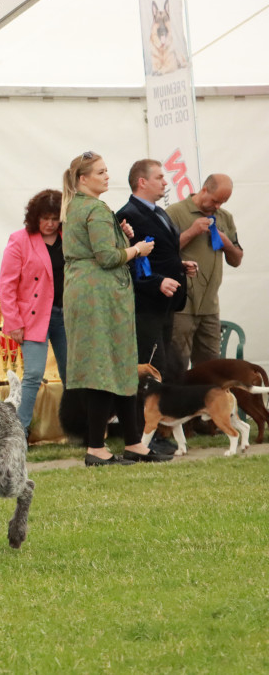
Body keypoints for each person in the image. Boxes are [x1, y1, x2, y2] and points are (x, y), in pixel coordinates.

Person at [61, 151, 171, 466]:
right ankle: (97, 448)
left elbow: (100, 249)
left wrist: (119, 238)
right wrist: (136, 249)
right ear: (83, 179)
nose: (107, 176)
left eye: (107, 171)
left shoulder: (80, 207)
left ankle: (134, 442)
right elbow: (107, 258)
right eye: (100, 172)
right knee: (105, 370)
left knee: (120, 367)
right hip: (100, 298)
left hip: (95, 295)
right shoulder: (93, 208)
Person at [116, 159, 197, 455]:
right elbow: (131, 262)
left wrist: (179, 266)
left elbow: (161, 254)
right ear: (142, 182)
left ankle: (158, 430)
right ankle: (142, 434)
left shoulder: (160, 212)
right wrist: (157, 282)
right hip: (145, 305)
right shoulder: (126, 215)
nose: (166, 182)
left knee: (163, 367)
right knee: (150, 369)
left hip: (166, 304)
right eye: (160, 177)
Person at [0, 189, 68, 439]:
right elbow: (7, 285)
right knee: (34, 374)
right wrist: (14, 322)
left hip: (65, 315)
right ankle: (19, 432)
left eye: (55, 218)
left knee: (72, 373)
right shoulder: (19, 239)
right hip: (33, 319)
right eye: (45, 218)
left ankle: (77, 428)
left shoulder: (69, 238)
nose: (50, 223)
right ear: (34, 217)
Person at [166, 174, 243, 367]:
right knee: (178, 365)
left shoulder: (225, 217)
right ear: (204, 190)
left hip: (210, 306)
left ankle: (208, 398)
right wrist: (191, 232)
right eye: (215, 200)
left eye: (223, 202)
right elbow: (162, 254)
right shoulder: (174, 213)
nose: (218, 206)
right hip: (182, 306)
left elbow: (237, 260)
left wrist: (226, 244)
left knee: (211, 367)